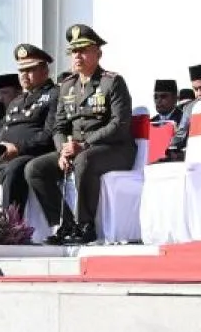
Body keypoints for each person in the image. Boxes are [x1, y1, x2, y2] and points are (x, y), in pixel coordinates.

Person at [25, 24, 135, 246]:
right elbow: (59, 127)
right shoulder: (67, 86)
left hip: (114, 149)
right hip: (76, 150)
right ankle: (65, 224)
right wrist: (62, 151)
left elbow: (119, 124)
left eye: (83, 50)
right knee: (34, 169)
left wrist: (83, 145)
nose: (77, 56)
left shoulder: (112, 82)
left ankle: (86, 225)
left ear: (98, 53)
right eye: (74, 51)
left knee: (84, 160)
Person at [0, 43, 59, 214]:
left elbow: (49, 134)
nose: (24, 75)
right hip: (6, 158)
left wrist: (18, 149)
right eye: (21, 71)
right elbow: (1, 131)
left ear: (45, 71)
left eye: (30, 70)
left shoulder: (54, 95)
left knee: (15, 168)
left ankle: (10, 224)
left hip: (34, 155)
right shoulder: (17, 101)